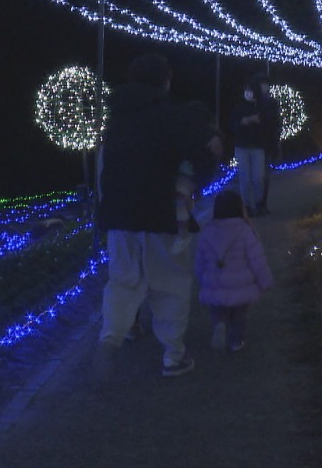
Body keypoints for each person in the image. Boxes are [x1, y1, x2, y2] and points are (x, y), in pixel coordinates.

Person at [96, 53, 221, 378]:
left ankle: (110, 336)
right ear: (165, 80)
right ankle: (173, 356)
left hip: (118, 215)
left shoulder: (115, 119)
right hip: (164, 213)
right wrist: (196, 180)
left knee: (123, 280)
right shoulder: (174, 116)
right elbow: (204, 157)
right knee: (170, 283)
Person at [195, 189, 273, 352]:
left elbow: (200, 261)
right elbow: (257, 260)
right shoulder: (245, 231)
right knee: (239, 316)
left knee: (217, 311)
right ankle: (236, 341)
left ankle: (219, 325)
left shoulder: (207, 232)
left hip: (216, 284)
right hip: (240, 287)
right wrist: (265, 281)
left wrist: (203, 279)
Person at [230, 82, 266, 215]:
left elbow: (265, 123)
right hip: (242, 146)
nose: (248, 93)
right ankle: (247, 206)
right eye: (246, 90)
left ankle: (258, 203)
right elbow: (234, 124)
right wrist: (247, 120)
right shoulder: (239, 107)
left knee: (258, 178)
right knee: (244, 179)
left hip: (257, 147)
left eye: (250, 91)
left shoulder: (261, 107)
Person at [251, 73, 281, 216]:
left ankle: (261, 204)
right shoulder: (253, 102)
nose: (265, 87)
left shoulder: (272, 103)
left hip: (267, 143)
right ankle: (256, 204)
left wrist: (276, 143)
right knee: (257, 176)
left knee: (264, 176)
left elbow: (276, 124)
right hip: (255, 142)